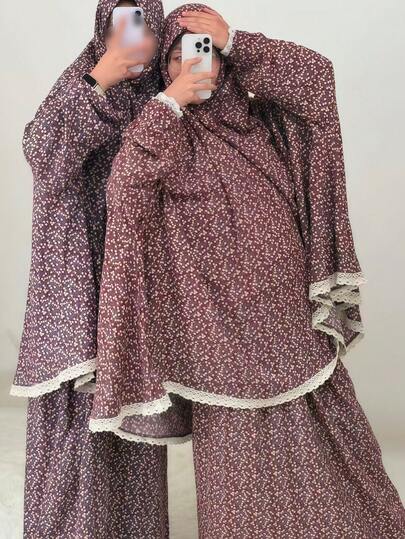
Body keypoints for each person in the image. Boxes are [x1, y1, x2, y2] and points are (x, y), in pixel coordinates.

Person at [90, 3, 405, 537]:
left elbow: (318, 79)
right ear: (163, 70)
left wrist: (236, 38)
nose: (192, 63)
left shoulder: (262, 124)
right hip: (214, 325)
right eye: (177, 56)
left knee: (316, 420)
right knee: (235, 443)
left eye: (204, 49)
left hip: (282, 312)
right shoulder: (165, 133)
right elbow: (125, 190)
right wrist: (170, 104)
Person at [10, 1, 171, 537]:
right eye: (123, 22)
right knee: (73, 415)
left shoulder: (164, 95)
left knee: (130, 412)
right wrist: (98, 81)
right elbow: (44, 154)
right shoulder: (83, 78)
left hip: (133, 276)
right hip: (77, 277)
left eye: (145, 21)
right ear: (103, 27)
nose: (135, 35)